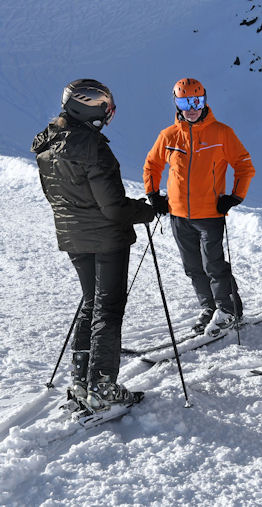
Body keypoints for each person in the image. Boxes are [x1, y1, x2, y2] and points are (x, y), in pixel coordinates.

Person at [32, 79, 155, 409]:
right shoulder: (92, 147)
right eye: (105, 109)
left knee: (91, 301)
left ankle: (80, 379)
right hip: (106, 238)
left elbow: (57, 196)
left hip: (73, 236)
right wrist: (146, 210)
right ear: (91, 108)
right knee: (108, 308)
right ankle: (101, 385)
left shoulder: (48, 143)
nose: (108, 115)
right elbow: (112, 206)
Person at [143, 78, 255, 335]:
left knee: (213, 265)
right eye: (185, 101)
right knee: (193, 268)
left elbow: (244, 165)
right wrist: (153, 194)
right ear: (176, 103)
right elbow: (152, 165)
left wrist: (235, 196)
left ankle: (228, 310)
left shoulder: (222, 133)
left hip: (210, 215)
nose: (191, 107)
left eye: (197, 101)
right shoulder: (169, 136)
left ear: (204, 100)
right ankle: (208, 308)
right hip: (179, 215)